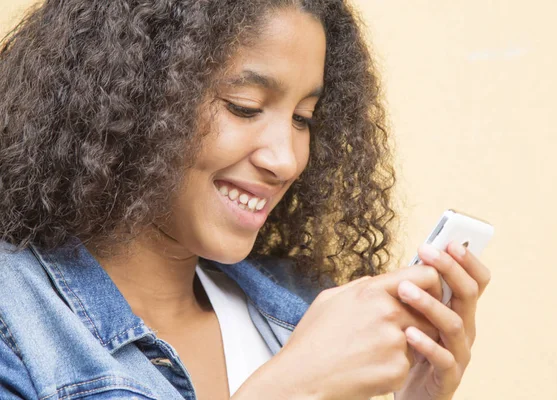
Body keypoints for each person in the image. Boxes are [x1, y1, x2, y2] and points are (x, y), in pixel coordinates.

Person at [0, 0, 491, 399]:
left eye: (303, 118)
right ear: (130, 99)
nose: (287, 160)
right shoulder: (16, 321)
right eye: (245, 107)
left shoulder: (303, 308)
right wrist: (293, 388)